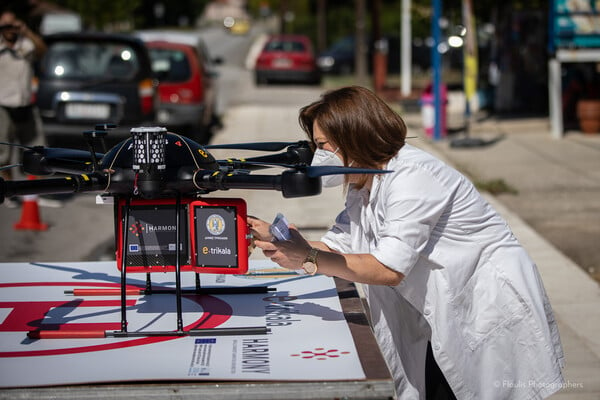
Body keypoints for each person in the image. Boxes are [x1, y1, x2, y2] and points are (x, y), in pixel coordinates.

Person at [248, 86, 565, 399]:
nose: (318, 156)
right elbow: (341, 247)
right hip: (438, 317)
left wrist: (309, 258)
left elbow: (388, 268)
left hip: (484, 309)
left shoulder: (412, 176)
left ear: (354, 137)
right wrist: (277, 238)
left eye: (322, 145)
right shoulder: (364, 183)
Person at [0, 10, 49, 207]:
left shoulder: (26, 45)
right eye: (5, 26)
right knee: (3, 153)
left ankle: (34, 195)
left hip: (26, 104)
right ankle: (8, 191)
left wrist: (25, 31)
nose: (9, 30)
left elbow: (42, 50)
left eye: (12, 25)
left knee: (37, 150)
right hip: (3, 105)